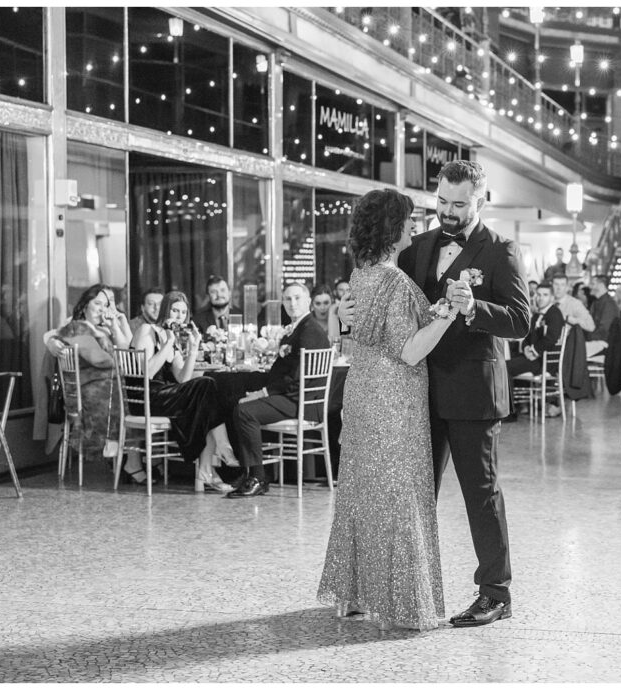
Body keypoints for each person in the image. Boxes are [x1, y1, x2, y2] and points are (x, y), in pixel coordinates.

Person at [339, 160, 531, 627]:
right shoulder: (417, 246)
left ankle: (495, 593)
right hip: (413, 395)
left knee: (480, 495)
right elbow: (385, 295)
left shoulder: (501, 250)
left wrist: (475, 306)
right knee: (409, 496)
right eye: (441, 201)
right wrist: (346, 309)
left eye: (459, 204)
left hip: (472, 395)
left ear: (480, 201)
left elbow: (521, 322)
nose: (447, 211)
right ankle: (387, 587)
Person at [318, 188, 456, 631]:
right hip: (393, 402)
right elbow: (411, 351)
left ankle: (356, 594)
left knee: (361, 494)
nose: (415, 227)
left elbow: (345, 335)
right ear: (392, 229)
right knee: (401, 497)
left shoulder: (359, 277)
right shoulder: (394, 283)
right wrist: (448, 314)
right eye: (408, 220)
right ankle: (405, 603)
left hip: (361, 396)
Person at [225, 283, 330, 498]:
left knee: (244, 412)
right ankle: (245, 470)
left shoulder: (309, 332)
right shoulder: (298, 328)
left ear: (308, 301)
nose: (292, 303)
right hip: (293, 395)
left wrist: (263, 392)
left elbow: (295, 380)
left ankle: (258, 477)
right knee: (233, 395)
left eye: (297, 298)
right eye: (288, 299)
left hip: (301, 401)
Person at [131, 290, 237, 492]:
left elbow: (183, 378)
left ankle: (207, 469)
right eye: (174, 310)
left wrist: (194, 348)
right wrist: (168, 343)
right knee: (206, 388)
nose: (179, 316)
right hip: (145, 397)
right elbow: (147, 373)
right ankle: (220, 452)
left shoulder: (173, 337)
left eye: (183, 312)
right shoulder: (147, 330)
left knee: (207, 394)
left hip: (168, 395)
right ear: (166, 310)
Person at [52, 285, 122, 468]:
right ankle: (129, 458)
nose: (102, 308)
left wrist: (115, 328)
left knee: (141, 398)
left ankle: (130, 459)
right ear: (84, 306)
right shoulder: (77, 327)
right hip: (89, 391)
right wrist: (127, 363)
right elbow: (98, 359)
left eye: (105, 305)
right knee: (136, 402)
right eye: (97, 303)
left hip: (107, 385)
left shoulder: (102, 330)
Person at [505, 282, 565, 419]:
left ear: (552, 297)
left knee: (505, 367)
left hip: (544, 361)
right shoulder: (537, 315)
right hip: (533, 357)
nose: (540, 298)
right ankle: (519, 405)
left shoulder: (554, 314)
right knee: (504, 363)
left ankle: (510, 412)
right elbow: (527, 335)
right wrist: (526, 347)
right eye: (538, 294)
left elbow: (551, 338)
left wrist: (534, 352)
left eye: (545, 295)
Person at [585, 275, 619, 355]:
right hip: (595, 340)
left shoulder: (609, 304)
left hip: (602, 343)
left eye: (593, 284)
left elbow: (604, 330)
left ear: (600, 285)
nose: (590, 286)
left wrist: (588, 338)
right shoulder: (597, 302)